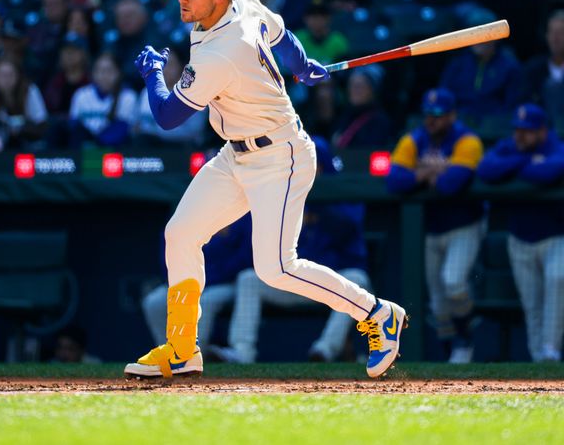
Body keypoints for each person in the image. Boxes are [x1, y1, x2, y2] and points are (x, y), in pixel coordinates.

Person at [124, 0, 407, 380]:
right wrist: (302, 65)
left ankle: (377, 313)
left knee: (275, 268)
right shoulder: (245, 2)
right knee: (181, 233)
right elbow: (282, 38)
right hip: (234, 153)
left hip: (280, 156)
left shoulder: (220, 51)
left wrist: (152, 75)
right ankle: (182, 349)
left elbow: (166, 117)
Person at [207, 138, 372, 363]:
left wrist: (319, 211)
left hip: (328, 284)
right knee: (249, 279)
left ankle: (325, 349)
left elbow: (351, 241)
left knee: (357, 278)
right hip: (294, 282)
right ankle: (242, 352)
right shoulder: (282, 196)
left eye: (309, 163)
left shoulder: (342, 198)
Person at [386, 88, 485, 364]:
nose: (432, 120)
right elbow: (394, 181)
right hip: (430, 228)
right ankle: (449, 355)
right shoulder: (414, 139)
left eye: (439, 114)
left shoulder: (467, 140)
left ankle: (465, 340)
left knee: (454, 282)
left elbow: (451, 184)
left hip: (464, 223)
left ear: (452, 115)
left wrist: (420, 174)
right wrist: (432, 172)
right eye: (428, 114)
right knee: (438, 301)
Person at [476, 104, 564, 362]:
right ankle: (539, 356)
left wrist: (514, 168)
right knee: (532, 302)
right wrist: (524, 161)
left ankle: (550, 350)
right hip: (520, 238)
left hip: (556, 236)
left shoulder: (554, 146)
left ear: (542, 131)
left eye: (527, 131)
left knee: (557, 284)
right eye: (518, 130)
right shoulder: (511, 147)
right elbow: (486, 169)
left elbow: (550, 171)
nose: (520, 135)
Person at [143, 214, 253, 349]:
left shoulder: (242, 214)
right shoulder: (189, 211)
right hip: (188, 281)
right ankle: (169, 353)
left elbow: (245, 258)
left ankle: (191, 356)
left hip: (226, 283)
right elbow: (170, 257)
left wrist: (204, 279)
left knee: (204, 301)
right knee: (155, 302)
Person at [68, 52, 137, 148]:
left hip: (114, 149)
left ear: (119, 73)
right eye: (99, 71)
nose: (103, 76)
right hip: (84, 146)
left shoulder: (127, 96)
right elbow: (74, 125)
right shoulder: (81, 95)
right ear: (93, 73)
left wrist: (97, 143)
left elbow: (123, 129)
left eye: (109, 71)